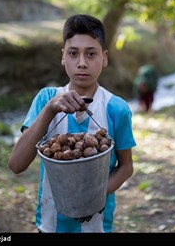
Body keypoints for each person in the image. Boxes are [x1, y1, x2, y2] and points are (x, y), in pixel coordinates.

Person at [8, 14, 136, 233]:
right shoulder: (46, 99)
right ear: (63, 57)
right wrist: (49, 110)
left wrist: (93, 194)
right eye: (73, 53)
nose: (82, 63)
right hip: (51, 225)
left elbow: (126, 167)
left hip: (97, 226)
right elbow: (16, 165)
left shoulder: (117, 108)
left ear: (104, 58)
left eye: (91, 54)